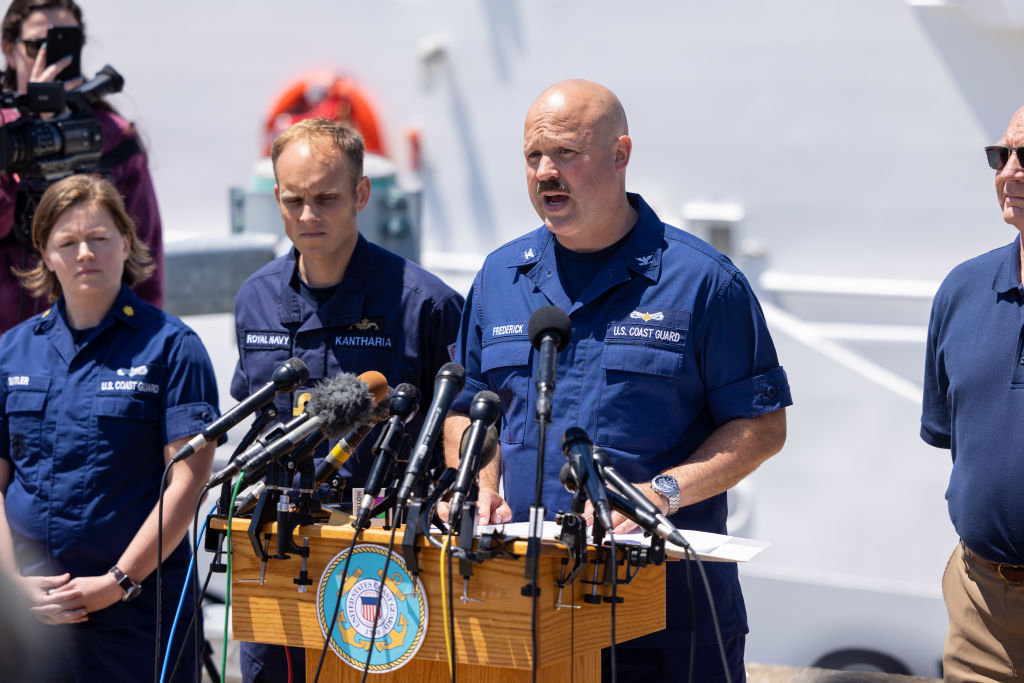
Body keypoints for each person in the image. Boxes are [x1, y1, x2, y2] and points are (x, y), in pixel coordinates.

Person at [443, 79, 790, 682]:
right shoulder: (500, 276)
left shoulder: (703, 283)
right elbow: (470, 408)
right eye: (533, 157)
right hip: (526, 605)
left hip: (666, 616)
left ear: (620, 154)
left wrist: (664, 494)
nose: (546, 172)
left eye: (566, 154)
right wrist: (477, 480)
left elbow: (762, 426)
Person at [230, 116, 464, 682]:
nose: (308, 215)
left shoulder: (425, 304)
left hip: (385, 564)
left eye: (326, 198)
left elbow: (458, 419)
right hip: (280, 554)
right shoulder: (255, 298)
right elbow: (256, 420)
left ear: (361, 194)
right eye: (294, 200)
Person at [0, 174, 219, 682]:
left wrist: (118, 582)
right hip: (31, 622)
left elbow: (187, 483)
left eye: (99, 238)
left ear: (127, 243)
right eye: (67, 242)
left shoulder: (173, 349)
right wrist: (11, 583)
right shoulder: (11, 353)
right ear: (46, 255)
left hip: (137, 619)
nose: (84, 253)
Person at [921, 106, 1024, 681]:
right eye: (1000, 155)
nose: (1010, 172)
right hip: (980, 607)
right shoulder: (962, 289)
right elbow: (953, 438)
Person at [0, 0, 163, 333]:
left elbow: (145, 258)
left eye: (65, 47)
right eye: (36, 46)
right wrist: (30, 132)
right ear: (8, 49)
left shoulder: (114, 135)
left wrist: (145, 346)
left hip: (95, 347)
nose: (51, 61)